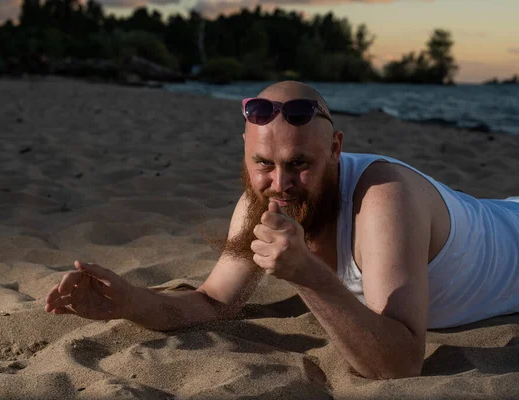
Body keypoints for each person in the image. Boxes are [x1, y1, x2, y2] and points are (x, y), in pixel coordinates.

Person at [45, 81, 519, 380]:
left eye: (299, 164)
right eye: (263, 164)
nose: (281, 184)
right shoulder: (261, 200)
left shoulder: (383, 197)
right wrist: (129, 301)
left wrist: (306, 275)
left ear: (335, 148)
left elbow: (400, 364)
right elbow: (214, 302)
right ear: (245, 153)